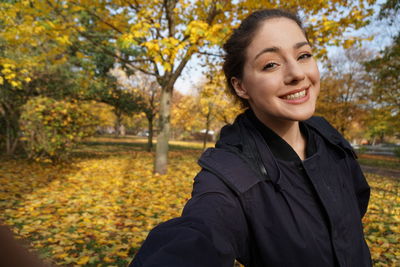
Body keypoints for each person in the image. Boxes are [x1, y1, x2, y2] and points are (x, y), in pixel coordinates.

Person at [129, 8, 371, 267]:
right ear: (240, 86)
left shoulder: (327, 136)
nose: (297, 74)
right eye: (271, 64)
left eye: (303, 55)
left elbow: (356, 205)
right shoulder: (230, 174)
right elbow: (201, 231)